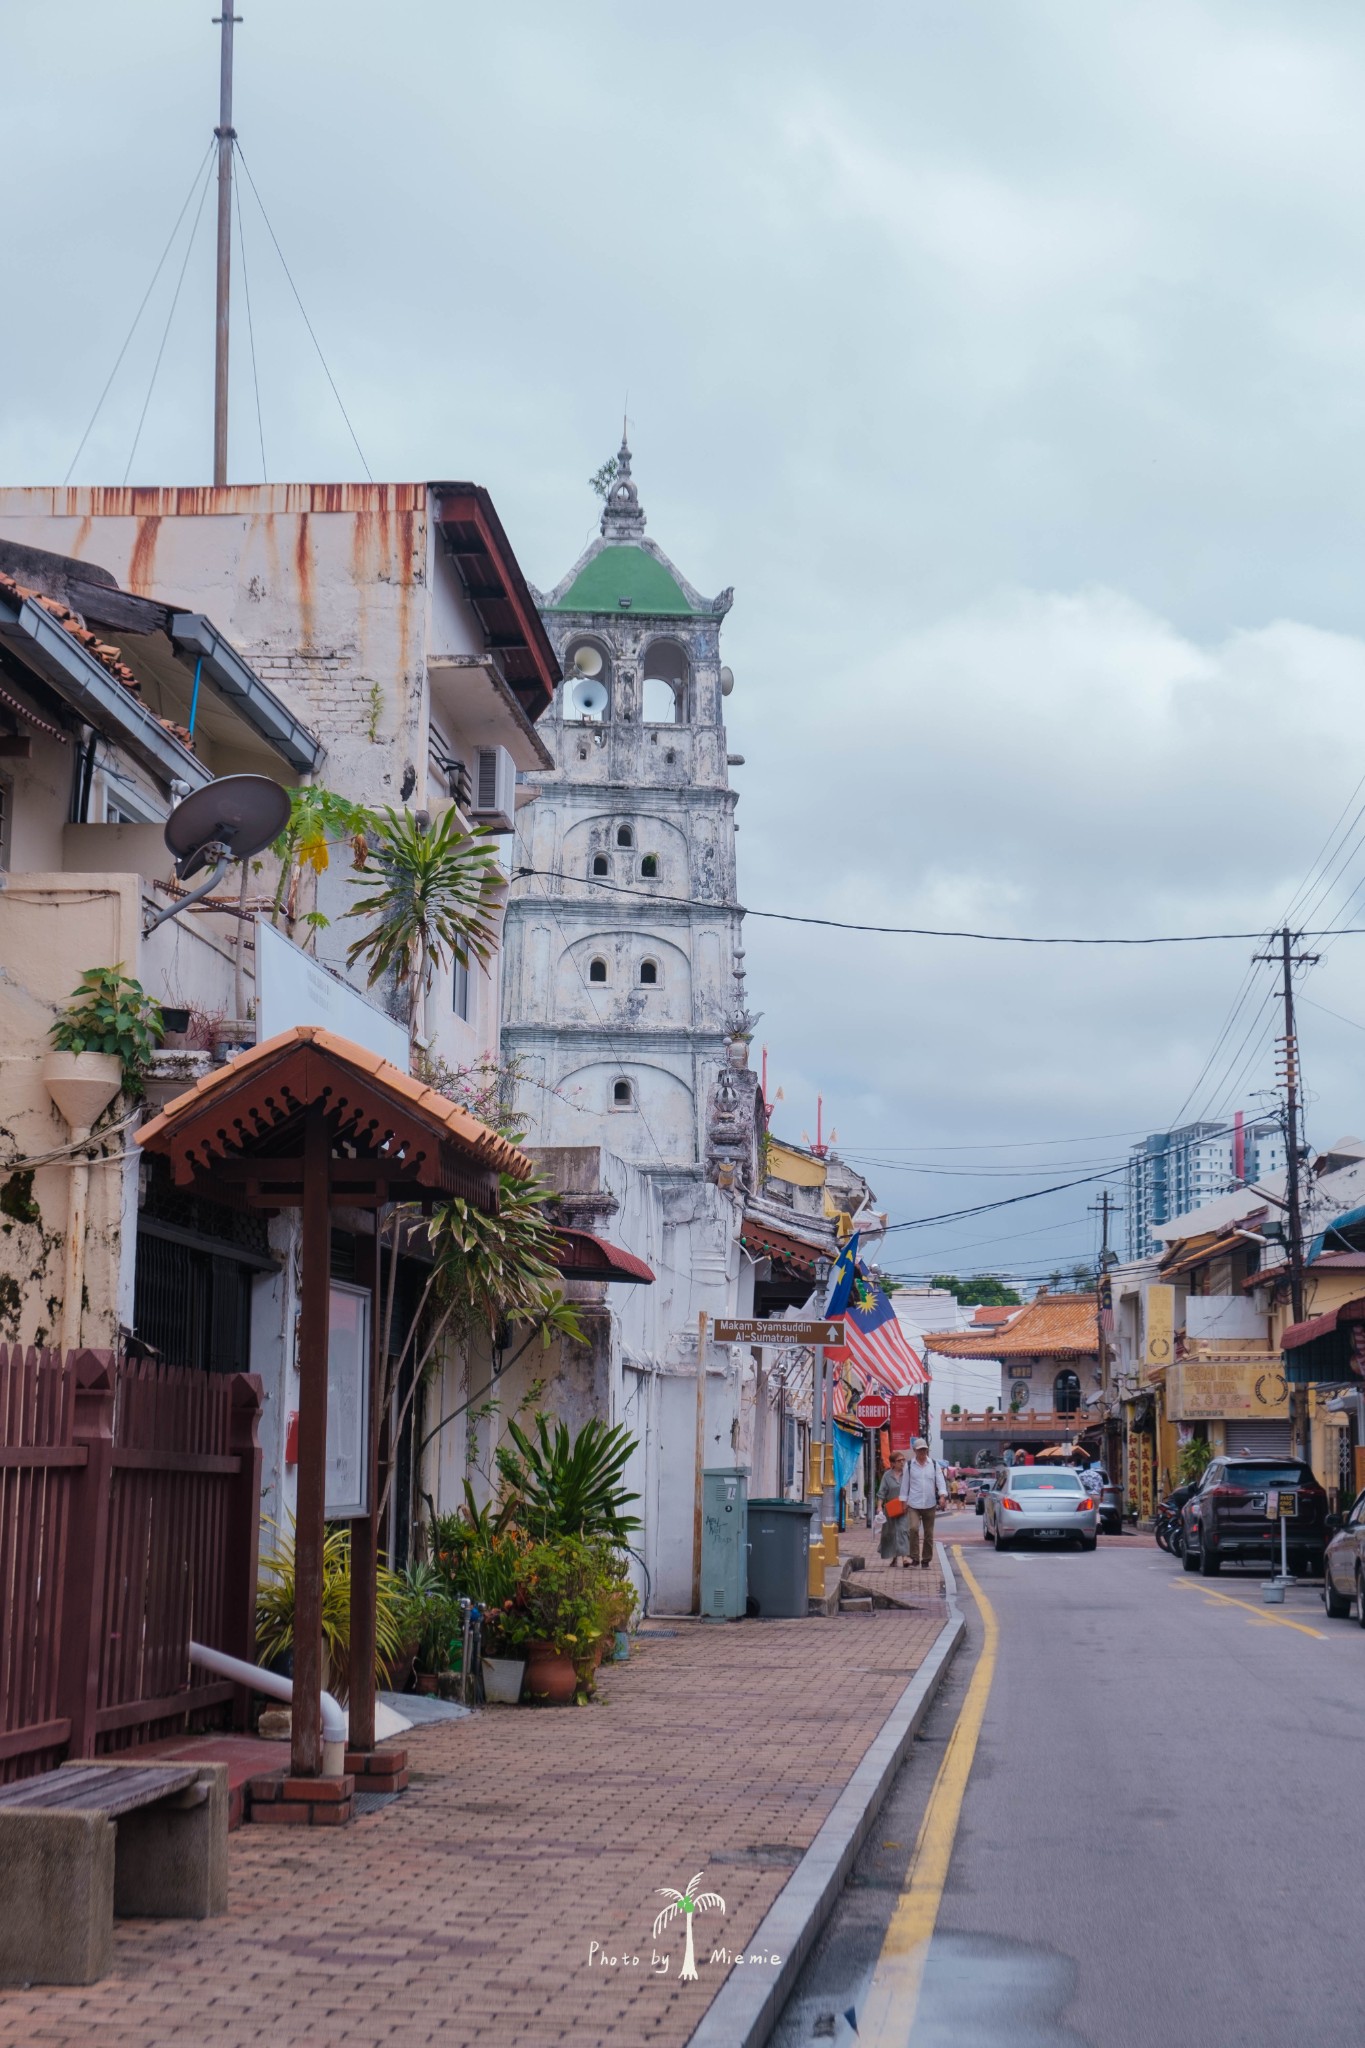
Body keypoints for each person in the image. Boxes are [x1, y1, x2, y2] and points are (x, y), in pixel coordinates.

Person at [899, 1438, 949, 1567]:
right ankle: (915, 1557)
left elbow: (940, 1481)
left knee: (928, 1533)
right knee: (913, 1529)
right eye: (920, 1450)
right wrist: (903, 1501)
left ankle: (926, 1559)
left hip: (929, 1503)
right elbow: (905, 1485)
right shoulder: (909, 1465)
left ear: (927, 1450)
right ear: (915, 1451)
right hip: (913, 1504)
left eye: (924, 1450)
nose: (922, 1452)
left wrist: (942, 1496)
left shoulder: (933, 1464)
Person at [877, 1451, 911, 1566]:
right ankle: (894, 1558)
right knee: (891, 1533)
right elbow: (881, 1493)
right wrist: (879, 1507)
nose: (902, 1462)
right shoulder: (887, 1475)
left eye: (903, 1460)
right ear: (892, 1463)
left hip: (905, 1508)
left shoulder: (907, 1474)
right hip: (891, 1509)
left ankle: (904, 1558)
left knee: (903, 1531)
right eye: (899, 1461)